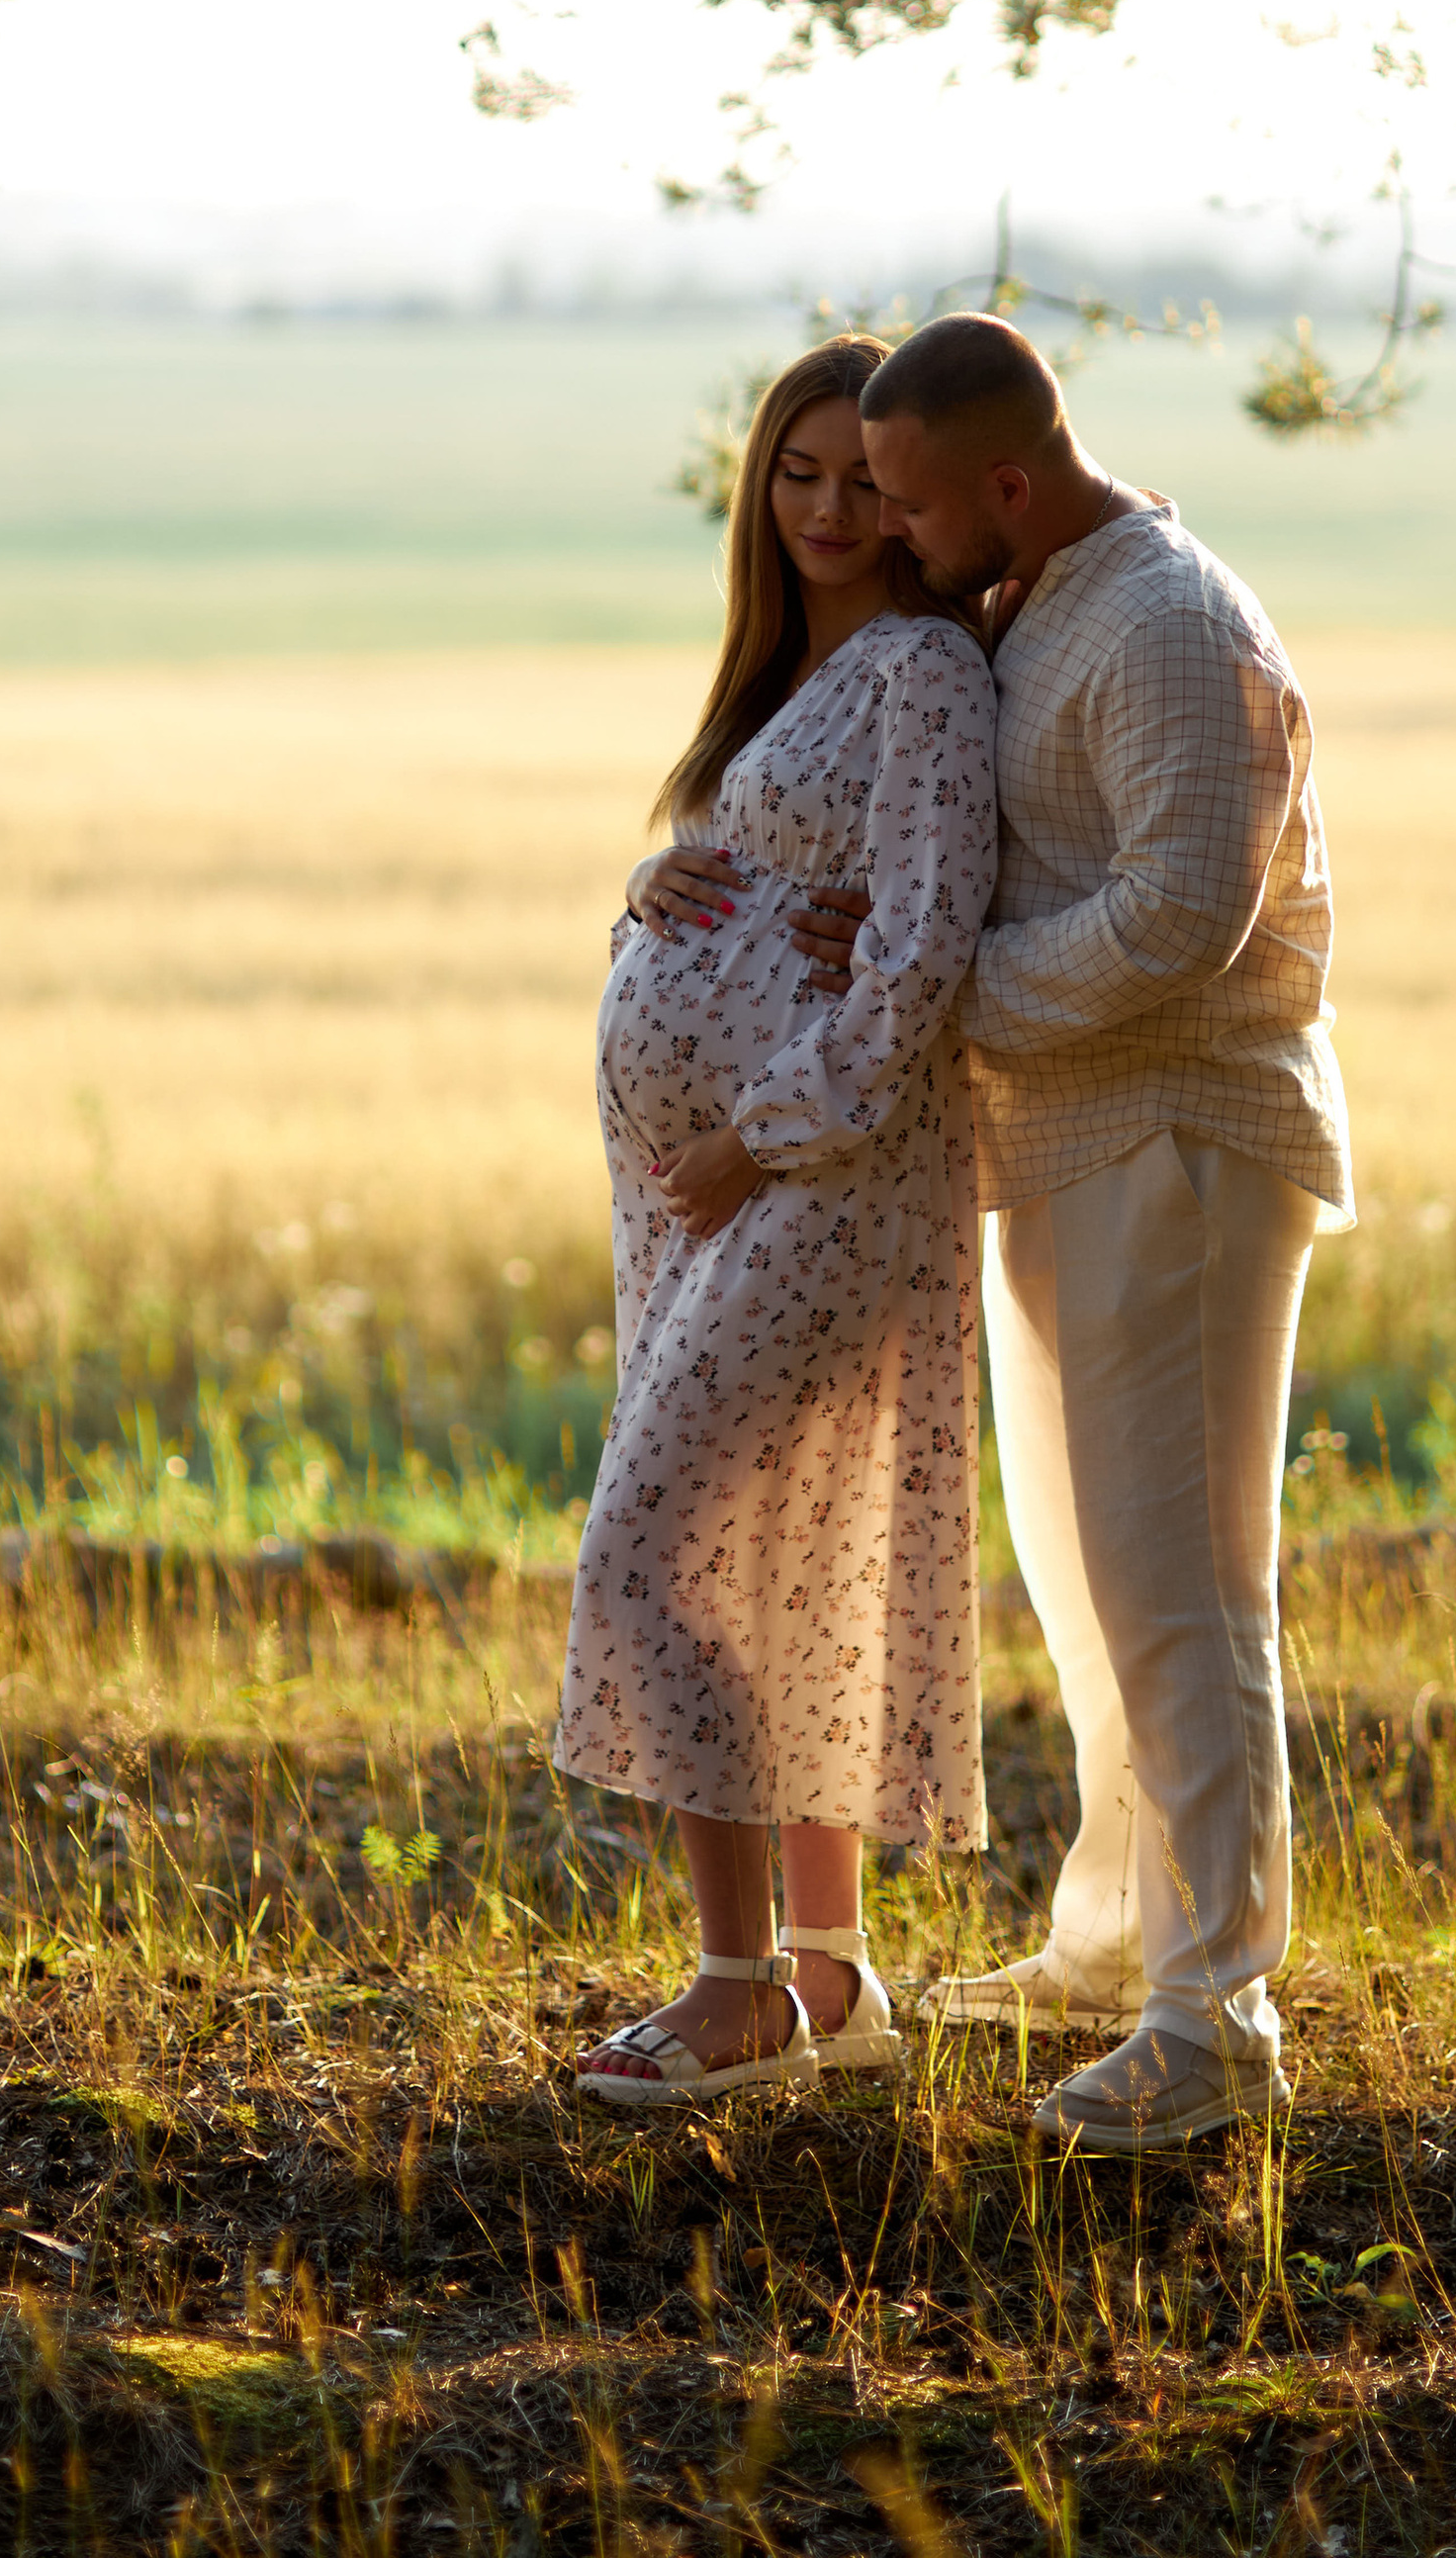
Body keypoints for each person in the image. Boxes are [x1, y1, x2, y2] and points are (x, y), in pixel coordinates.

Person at [828, 312, 1351, 2154]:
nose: (888, 529)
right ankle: (1117, 1935)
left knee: (1187, 1597)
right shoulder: (1046, 595)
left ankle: (1219, 2024)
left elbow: (1181, 914)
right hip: (1069, 1151)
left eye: (905, 496)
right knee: (1088, 1584)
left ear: (1012, 480)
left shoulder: (1175, 626)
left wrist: (947, 989)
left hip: (1182, 1155)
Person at [558, 334, 1001, 2108]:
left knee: (652, 1550)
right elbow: (765, 908)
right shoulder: (778, 678)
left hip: (821, 1182)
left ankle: (733, 1991)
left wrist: (756, 1133)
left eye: (861, 480)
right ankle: (831, 1977)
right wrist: (653, 898)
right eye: (795, 475)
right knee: (774, 1564)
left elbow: (914, 968)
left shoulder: (921, 673)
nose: (829, 509)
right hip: (707, 1200)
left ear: (911, 496)